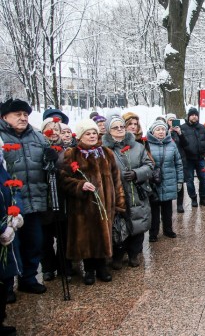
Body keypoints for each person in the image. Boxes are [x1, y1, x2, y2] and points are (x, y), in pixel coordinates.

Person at [0, 99, 56, 299]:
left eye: (25, 114)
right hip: (9, 203)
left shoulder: (38, 137)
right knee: (9, 245)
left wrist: (50, 159)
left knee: (34, 242)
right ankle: (6, 286)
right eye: (18, 114)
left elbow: (47, 168)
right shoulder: (1, 137)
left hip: (34, 199)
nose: (23, 118)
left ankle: (28, 278)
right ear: (4, 117)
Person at [59, 119, 126, 285]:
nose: (92, 136)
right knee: (87, 236)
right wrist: (80, 185)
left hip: (106, 203)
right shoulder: (72, 154)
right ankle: (89, 269)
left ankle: (102, 267)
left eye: (94, 133)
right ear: (80, 136)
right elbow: (63, 179)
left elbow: (116, 179)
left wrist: (119, 202)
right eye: (88, 134)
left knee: (104, 234)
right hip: (83, 206)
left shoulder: (107, 153)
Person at [103, 116, 154, 267]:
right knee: (119, 224)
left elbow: (149, 166)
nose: (119, 130)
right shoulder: (104, 150)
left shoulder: (138, 147)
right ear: (108, 131)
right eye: (115, 127)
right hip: (116, 193)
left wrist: (137, 173)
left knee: (138, 223)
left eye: (121, 127)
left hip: (137, 192)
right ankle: (118, 255)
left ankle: (134, 254)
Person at [40, 117, 71, 282]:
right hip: (44, 197)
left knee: (63, 234)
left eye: (56, 129)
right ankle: (48, 267)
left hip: (62, 195)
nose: (53, 132)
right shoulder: (38, 148)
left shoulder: (67, 150)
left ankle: (64, 266)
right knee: (45, 237)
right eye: (48, 129)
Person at [146, 121, 184, 242]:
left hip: (169, 180)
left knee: (168, 209)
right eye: (158, 130)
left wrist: (180, 180)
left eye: (163, 129)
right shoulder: (146, 145)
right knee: (154, 210)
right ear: (153, 132)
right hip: (154, 182)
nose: (161, 132)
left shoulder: (172, 144)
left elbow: (178, 163)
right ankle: (153, 233)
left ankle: (168, 230)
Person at [0, 146, 23, 335]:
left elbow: (12, 189)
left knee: (5, 274)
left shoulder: (2, 167)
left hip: (6, 229)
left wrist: (15, 216)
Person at [180, 107, 205, 207]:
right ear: (189, 116)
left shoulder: (202, 127)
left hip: (200, 158)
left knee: (203, 179)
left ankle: (203, 198)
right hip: (188, 159)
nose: (194, 117)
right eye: (192, 115)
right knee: (189, 180)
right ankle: (193, 198)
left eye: (196, 115)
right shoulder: (182, 128)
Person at [166, 114, 188, 213]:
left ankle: (180, 204)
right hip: (169, 160)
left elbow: (186, 144)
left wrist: (179, 133)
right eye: (170, 120)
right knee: (169, 182)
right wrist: (168, 132)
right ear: (167, 122)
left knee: (180, 182)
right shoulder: (164, 131)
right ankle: (168, 204)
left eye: (174, 120)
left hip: (180, 159)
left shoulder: (180, 131)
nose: (172, 122)